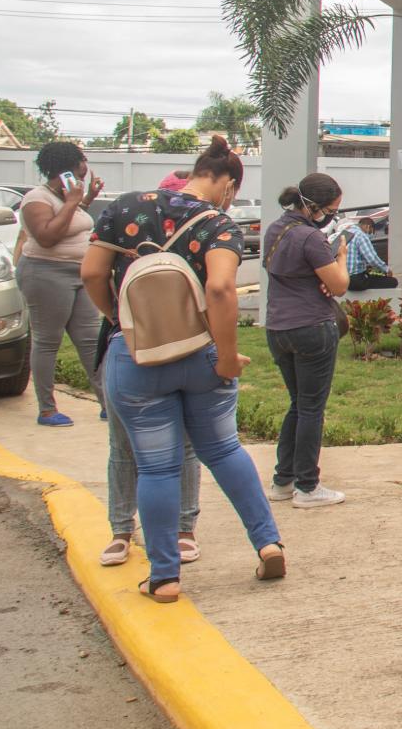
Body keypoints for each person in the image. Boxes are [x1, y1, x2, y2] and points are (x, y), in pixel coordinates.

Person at [80, 137, 285, 602]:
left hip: (136, 357)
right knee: (225, 449)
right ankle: (268, 542)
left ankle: (165, 578)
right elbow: (220, 289)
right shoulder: (219, 224)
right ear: (229, 185)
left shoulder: (126, 207)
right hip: (201, 357)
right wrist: (228, 357)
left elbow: (91, 273)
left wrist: (117, 319)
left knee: (156, 467)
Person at [22, 143, 204, 567]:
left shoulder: (111, 229)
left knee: (123, 441)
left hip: (119, 338)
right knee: (48, 342)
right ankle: (174, 531)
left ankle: (126, 531)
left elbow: (90, 272)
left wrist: (79, 203)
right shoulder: (39, 200)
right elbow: (53, 241)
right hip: (58, 282)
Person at [263, 173, 350, 509]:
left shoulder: (274, 229)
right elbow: (339, 284)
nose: (330, 216)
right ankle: (307, 486)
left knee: (298, 404)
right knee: (312, 408)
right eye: (330, 210)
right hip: (312, 327)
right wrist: (339, 255)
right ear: (313, 206)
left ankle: (283, 480)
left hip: (278, 328)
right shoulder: (311, 238)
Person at [17, 142, 106, 427]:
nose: (86, 167)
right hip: (46, 274)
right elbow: (46, 237)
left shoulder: (68, 196)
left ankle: (108, 402)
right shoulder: (36, 199)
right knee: (47, 341)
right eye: (83, 161)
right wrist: (71, 202)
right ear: (67, 166)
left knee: (91, 340)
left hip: (78, 274)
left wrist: (84, 199)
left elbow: (70, 223)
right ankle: (47, 409)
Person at [345, 214, 397, 291]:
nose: (370, 234)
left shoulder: (344, 234)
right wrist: (386, 270)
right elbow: (372, 259)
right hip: (355, 280)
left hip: (342, 279)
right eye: (371, 232)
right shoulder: (361, 236)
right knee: (393, 282)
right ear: (368, 227)